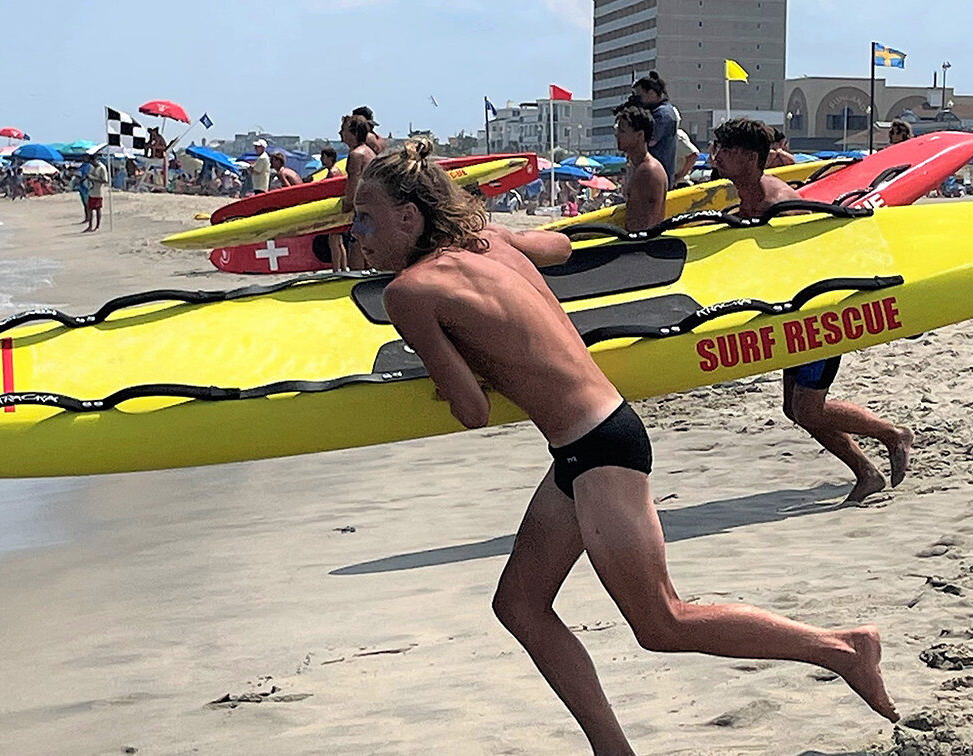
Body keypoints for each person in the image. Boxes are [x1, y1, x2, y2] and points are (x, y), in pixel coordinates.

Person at [352, 138, 899, 754]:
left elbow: (472, 412)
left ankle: (843, 647)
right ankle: (612, 749)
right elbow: (557, 246)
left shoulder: (408, 293)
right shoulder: (490, 243)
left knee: (661, 621)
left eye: (365, 217)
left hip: (598, 447)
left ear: (408, 216)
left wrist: (438, 375)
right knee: (520, 605)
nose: (356, 235)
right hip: (589, 444)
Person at [712, 118, 914, 502]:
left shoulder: (779, 206)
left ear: (751, 158)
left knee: (807, 408)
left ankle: (892, 434)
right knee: (795, 408)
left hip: (815, 312)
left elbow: (812, 263)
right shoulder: (748, 198)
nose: (717, 155)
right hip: (792, 313)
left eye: (727, 149)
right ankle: (866, 473)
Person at [613, 104, 667, 233]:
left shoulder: (647, 171)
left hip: (641, 247)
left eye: (622, 131)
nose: (617, 135)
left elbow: (641, 224)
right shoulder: (639, 167)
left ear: (640, 135)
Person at [339, 113, 377, 269]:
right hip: (374, 207)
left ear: (353, 133)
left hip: (363, 209)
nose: (341, 134)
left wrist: (347, 204)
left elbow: (353, 182)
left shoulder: (356, 155)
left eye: (344, 130)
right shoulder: (369, 152)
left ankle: (355, 283)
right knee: (369, 247)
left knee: (356, 245)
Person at [632, 72, 678, 190]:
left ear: (651, 93)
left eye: (639, 96)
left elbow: (650, 140)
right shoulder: (656, 112)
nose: (638, 100)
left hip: (656, 176)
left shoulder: (662, 115)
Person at [84, 154, 108, 232]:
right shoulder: (91, 167)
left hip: (98, 191)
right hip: (91, 190)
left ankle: (97, 226)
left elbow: (105, 180)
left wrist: (93, 178)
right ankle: (90, 226)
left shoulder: (102, 168)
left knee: (98, 209)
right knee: (89, 209)